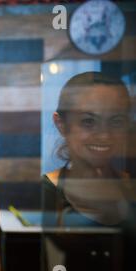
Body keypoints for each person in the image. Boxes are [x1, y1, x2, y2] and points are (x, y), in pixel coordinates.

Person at [42, 71, 134, 226]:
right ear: (61, 125)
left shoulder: (131, 187)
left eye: (116, 121)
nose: (104, 135)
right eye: (88, 121)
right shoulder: (43, 194)